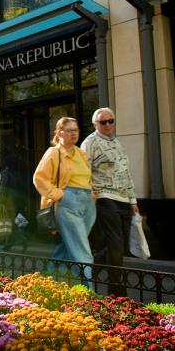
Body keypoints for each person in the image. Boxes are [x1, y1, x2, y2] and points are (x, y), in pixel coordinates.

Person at [81, 107, 138, 296]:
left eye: (110, 121)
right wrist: (90, 194)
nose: (107, 125)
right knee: (115, 243)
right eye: (103, 122)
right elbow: (83, 170)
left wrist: (133, 200)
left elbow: (126, 173)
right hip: (104, 197)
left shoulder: (117, 142)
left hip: (123, 198)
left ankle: (90, 271)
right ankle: (117, 290)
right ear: (95, 124)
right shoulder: (90, 142)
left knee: (119, 246)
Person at [34, 117, 96, 286]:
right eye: (69, 130)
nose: (74, 133)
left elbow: (87, 177)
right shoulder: (54, 152)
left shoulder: (81, 153)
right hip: (68, 202)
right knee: (82, 251)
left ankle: (46, 281)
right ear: (59, 132)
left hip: (87, 203)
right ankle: (88, 293)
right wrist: (59, 195)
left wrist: (92, 196)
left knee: (69, 246)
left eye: (76, 130)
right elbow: (39, 178)